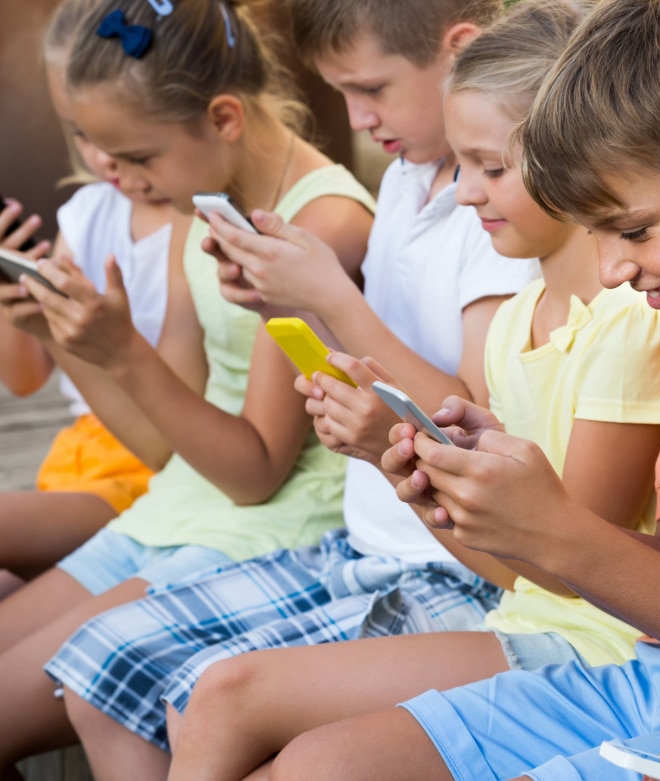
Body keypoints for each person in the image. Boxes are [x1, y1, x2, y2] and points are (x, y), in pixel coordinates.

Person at [266, 1, 660, 779]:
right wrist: (481, 497)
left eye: (632, 229)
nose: (611, 269)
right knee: (324, 763)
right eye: (596, 233)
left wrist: (556, 528)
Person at [162, 3, 660, 778]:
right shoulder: (520, 321)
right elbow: (517, 560)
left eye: (491, 168)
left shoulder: (628, 327)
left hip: (592, 647)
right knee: (214, 701)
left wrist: (412, 468)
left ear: (583, 156)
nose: (465, 194)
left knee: (249, 712)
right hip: (520, 613)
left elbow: (574, 570)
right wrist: (410, 465)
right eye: (461, 168)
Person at [47, 1, 538, 779]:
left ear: (459, 54)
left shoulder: (500, 213)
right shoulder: (413, 177)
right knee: (101, 669)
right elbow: (351, 371)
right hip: (362, 537)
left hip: (447, 560)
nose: (353, 116)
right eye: (340, 90)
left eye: (370, 87)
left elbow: (470, 419)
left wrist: (329, 300)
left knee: (219, 705)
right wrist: (295, 307)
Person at [0, 0, 376, 774]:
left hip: (270, 527)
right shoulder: (196, 201)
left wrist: (123, 354)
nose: (120, 178)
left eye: (138, 156)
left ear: (226, 118)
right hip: (182, 503)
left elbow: (255, 470)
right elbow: (166, 445)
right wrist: (66, 340)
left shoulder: (322, 224)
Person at [0, 0, 174, 591]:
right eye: (79, 131)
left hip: (143, 463)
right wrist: (14, 298)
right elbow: (25, 379)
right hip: (75, 455)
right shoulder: (86, 212)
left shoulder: (190, 220)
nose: (99, 154)